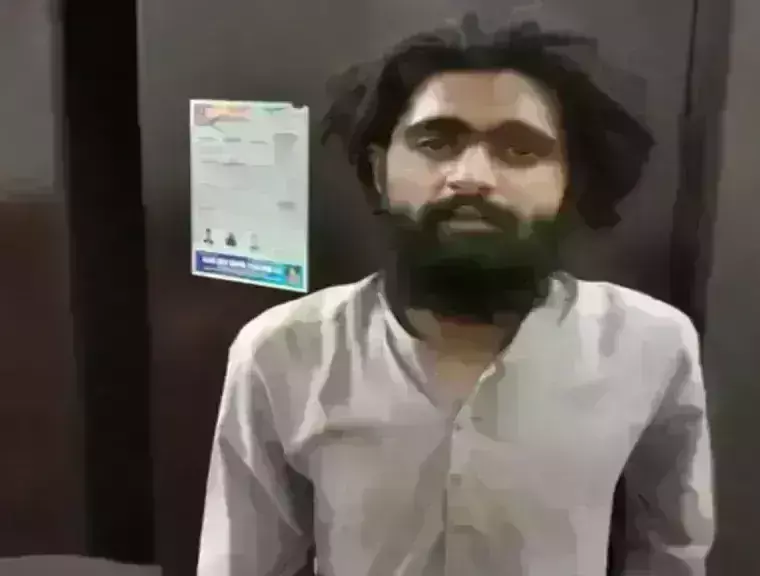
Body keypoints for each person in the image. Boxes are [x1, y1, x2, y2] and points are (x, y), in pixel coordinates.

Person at [198, 15, 713, 576]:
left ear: (571, 181)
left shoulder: (651, 345)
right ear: (379, 170)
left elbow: (672, 551)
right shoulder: (281, 351)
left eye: (520, 150)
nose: (470, 176)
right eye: (436, 142)